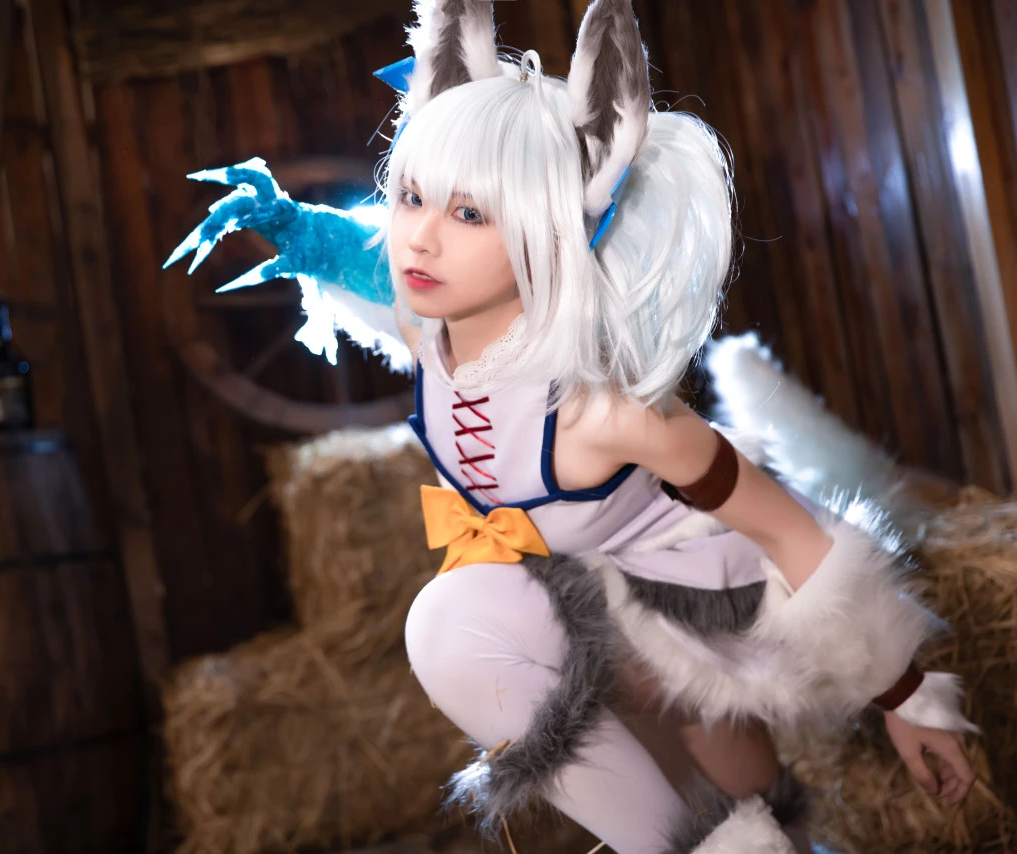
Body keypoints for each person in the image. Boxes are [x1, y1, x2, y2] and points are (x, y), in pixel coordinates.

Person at [164, 0, 980, 849]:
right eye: (410, 197)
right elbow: (364, 261)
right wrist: (288, 225)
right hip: (565, 591)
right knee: (447, 628)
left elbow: (791, 531)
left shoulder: (605, 412)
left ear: (554, 234)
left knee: (734, 768)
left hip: (691, 595)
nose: (419, 241)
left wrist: (908, 697)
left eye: (471, 214)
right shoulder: (422, 324)